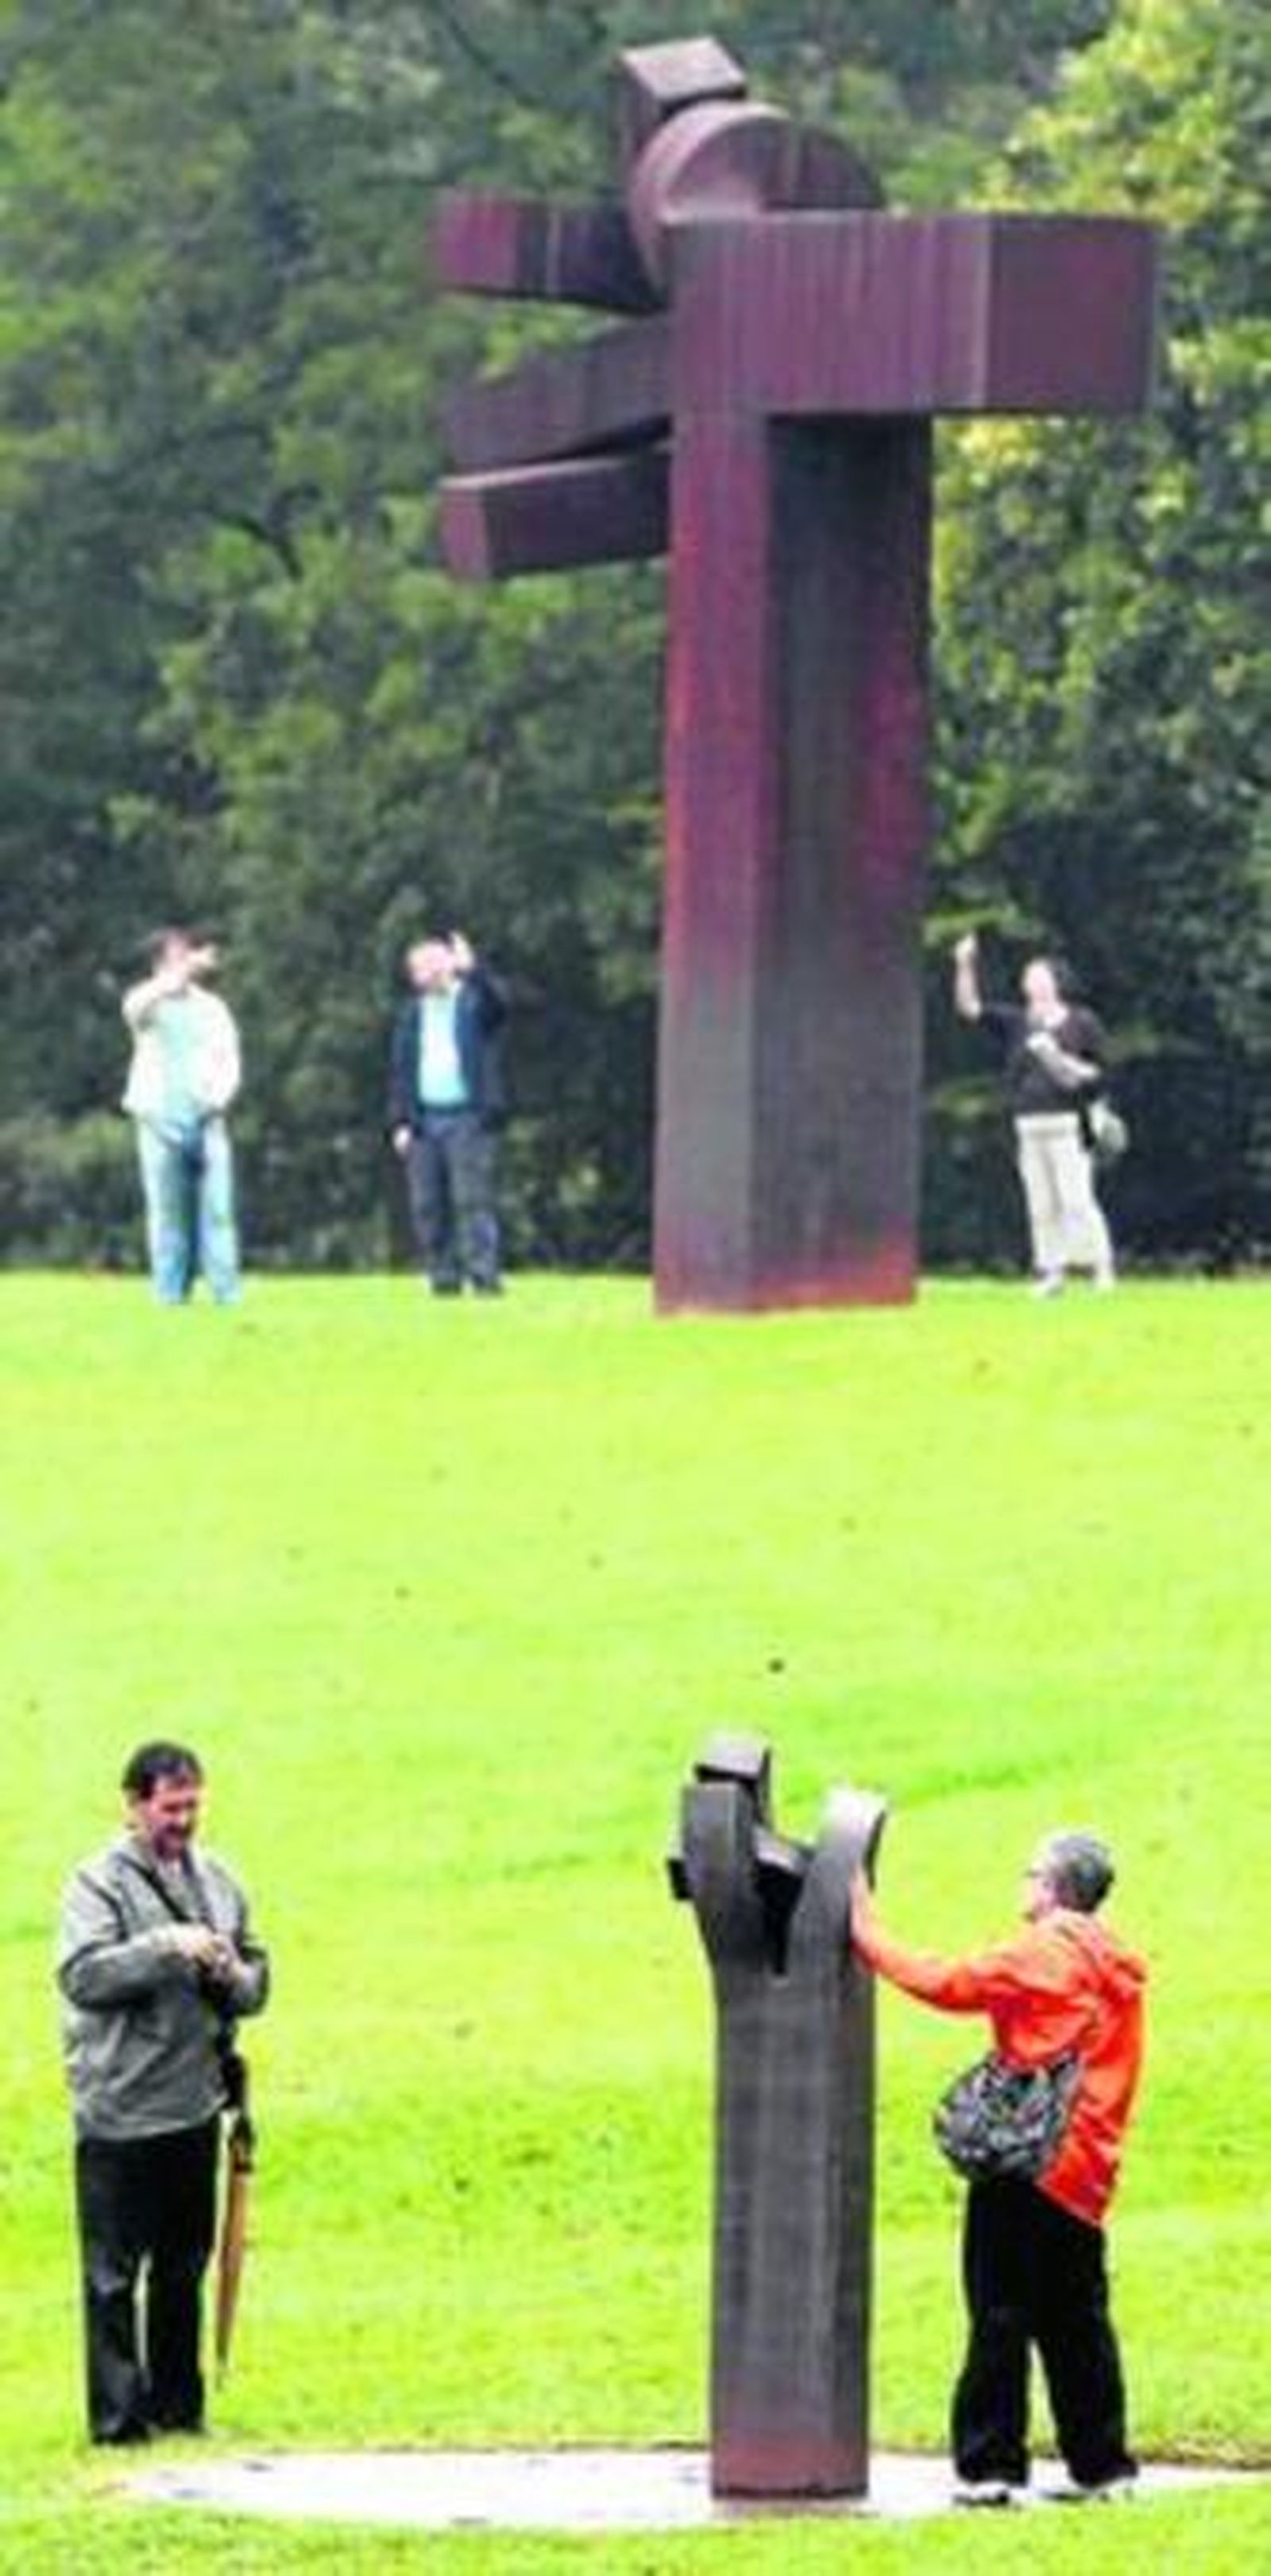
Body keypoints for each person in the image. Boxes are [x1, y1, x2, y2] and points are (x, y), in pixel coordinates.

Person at [851, 1831, 1146, 2508]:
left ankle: (992, 2467)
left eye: (1031, 1872)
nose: (1025, 1882)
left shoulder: (1045, 1949)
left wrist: (865, 1926)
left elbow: (945, 1981)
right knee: (1078, 2318)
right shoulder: (1116, 1961)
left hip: (1025, 2161)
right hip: (1086, 2168)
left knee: (999, 2310)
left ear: (1052, 1887)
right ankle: (1103, 2467)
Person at [56, 1742, 269, 2444]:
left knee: (184, 2266)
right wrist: (169, 1946)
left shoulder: (219, 1878)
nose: (184, 1820)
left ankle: (179, 2409)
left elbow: (257, 1980)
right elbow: (82, 1975)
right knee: (114, 2277)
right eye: (171, 1807)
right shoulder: (97, 1885)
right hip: (118, 2110)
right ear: (134, 1805)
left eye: (193, 1805)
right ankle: (118, 2423)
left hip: (194, 2105)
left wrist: (230, 1970)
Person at [952, 933, 1116, 1296]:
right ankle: (1051, 1272)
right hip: (1028, 1124)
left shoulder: (1081, 1021)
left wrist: (1059, 1059)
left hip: (1068, 1123)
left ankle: (1099, 1268)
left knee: (1076, 1199)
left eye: (1039, 976)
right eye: (1029, 977)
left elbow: (1100, 1072)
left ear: (1057, 982)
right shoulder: (1017, 1021)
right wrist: (964, 964)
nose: (1032, 982)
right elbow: (970, 1008)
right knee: (1041, 1203)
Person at [122, 927, 242, 1304]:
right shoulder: (145, 1001)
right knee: (167, 1215)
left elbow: (229, 1058)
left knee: (218, 1212)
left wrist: (219, 1098)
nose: (188, 960)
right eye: (178, 954)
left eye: (189, 952)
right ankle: (169, 1295)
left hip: (207, 1120)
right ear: (159, 962)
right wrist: (177, 975)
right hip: (158, 1120)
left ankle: (226, 1294)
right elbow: (136, 1008)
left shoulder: (213, 1007)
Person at [388, 929, 507, 1296]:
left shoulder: (473, 1002)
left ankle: (484, 1277)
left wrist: (474, 971)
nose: (426, 974)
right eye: (419, 968)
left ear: (449, 966)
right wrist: (401, 1122)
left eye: (433, 965)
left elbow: (499, 1007)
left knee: (471, 1200)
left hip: (467, 1116)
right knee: (427, 1205)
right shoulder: (411, 1013)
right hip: (424, 1120)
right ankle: (443, 1278)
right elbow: (400, 1071)